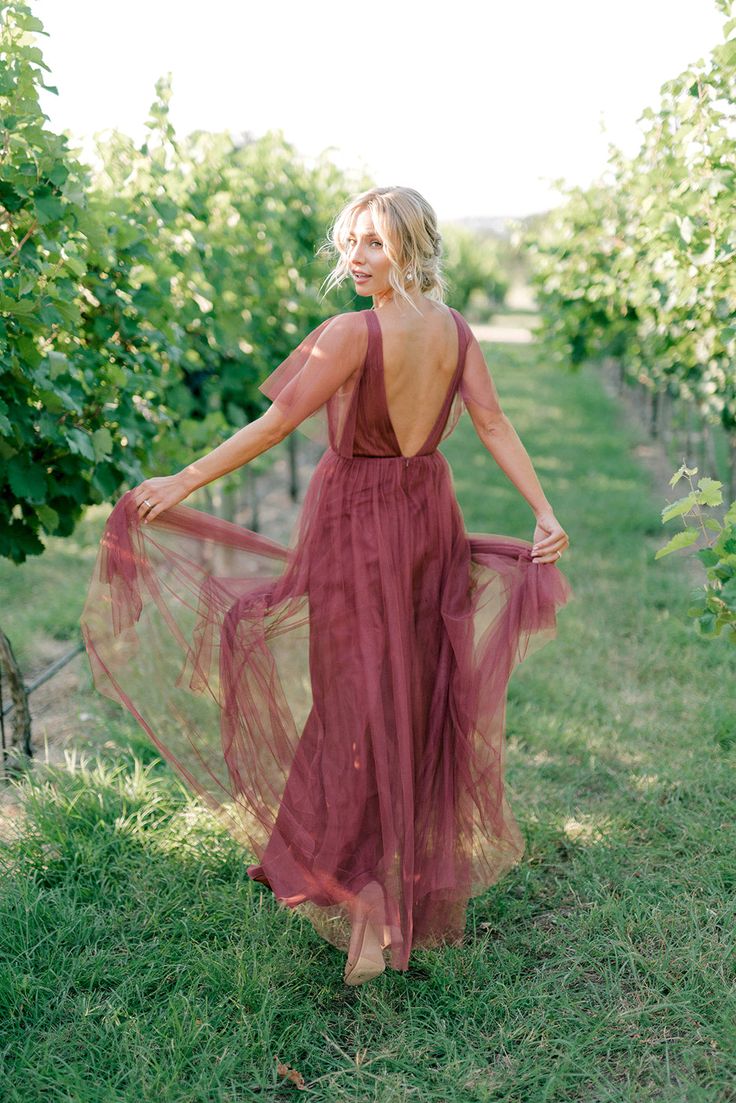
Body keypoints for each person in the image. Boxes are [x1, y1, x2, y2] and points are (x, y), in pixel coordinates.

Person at [81, 185, 572, 987]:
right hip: (426, 515)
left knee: (354, 701)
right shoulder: (454, 331)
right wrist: (541, 507)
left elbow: (274, 426)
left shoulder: (351, 333)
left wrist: (185, 477)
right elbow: (488, 424)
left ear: (412, 248)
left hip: (360, 526)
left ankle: (368, 899)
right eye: (350, 241)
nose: (354, 257)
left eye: (373, 243)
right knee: (402, 698)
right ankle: (384, 884)